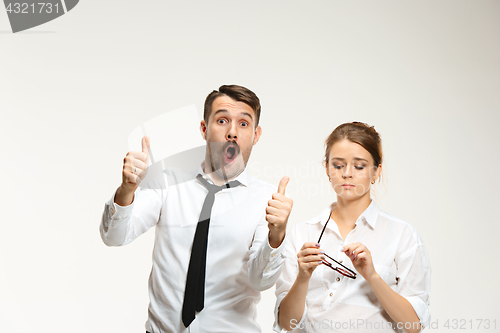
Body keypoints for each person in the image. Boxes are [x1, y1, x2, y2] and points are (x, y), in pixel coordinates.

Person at [100, 85, 293, 333]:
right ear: (204, 129)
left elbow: (261, 280)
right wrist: (127, 190)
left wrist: (276, 236)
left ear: (255, 135)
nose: (232, 132)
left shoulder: (268, 199)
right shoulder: (168, 184)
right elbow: (113, 236)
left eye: (243, 124)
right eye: (222, 120)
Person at [274, 122, 430, 333]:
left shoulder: (402, 235)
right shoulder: (302, 233)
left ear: (376, 171)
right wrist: (302, 277)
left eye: (359, 166)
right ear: (327, 169)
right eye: (338, 165)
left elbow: (413, 325)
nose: (347, 173)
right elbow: (287, 323)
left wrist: (372, 276)